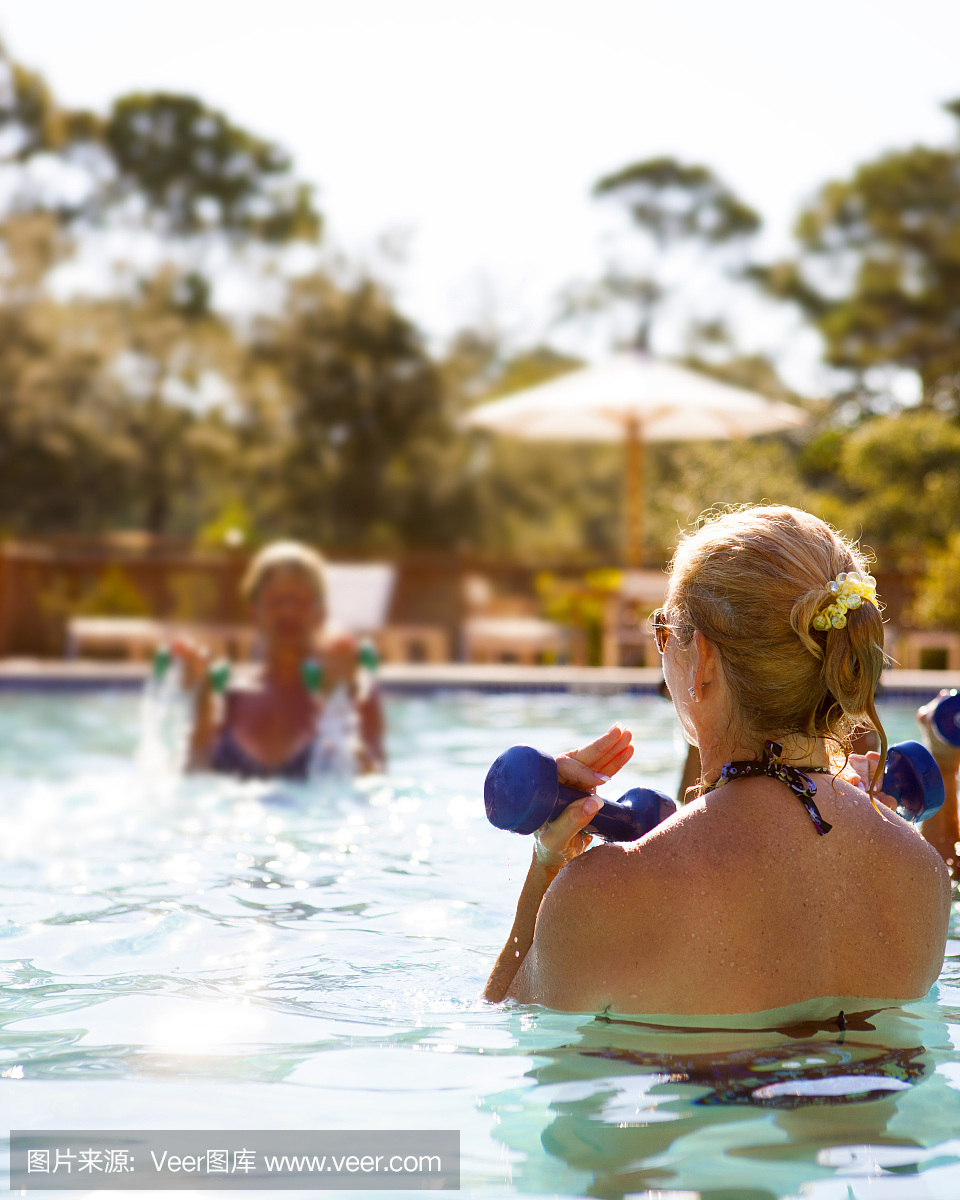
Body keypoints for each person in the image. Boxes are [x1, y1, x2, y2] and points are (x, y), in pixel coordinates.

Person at [484, 506, 950, 1018]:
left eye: (665, 634)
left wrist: (548, 867)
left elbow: (513, 1025)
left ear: (701, 661)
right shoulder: (921, 875)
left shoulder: (609, 895)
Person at [177, 540, 385, 778]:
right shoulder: (227, 696)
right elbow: (192, 782)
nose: (288, 610)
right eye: (276, 600)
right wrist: (202, 710)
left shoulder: (357, 692)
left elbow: (372, 786)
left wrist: (337, 708)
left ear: (322, 613)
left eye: (300, 600)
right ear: (253, 614)